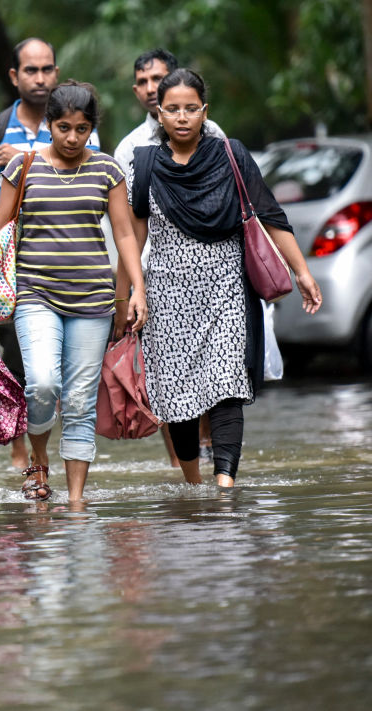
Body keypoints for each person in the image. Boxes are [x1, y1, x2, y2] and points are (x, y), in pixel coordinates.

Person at [116, 68, 322, 488]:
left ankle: (225, 484)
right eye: (172, 109)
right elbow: (132, 239)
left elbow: (270, 214)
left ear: (204, 111)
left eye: (191, 108)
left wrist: (302, 272)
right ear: (158, 114)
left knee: (227, 383)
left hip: (227, 290)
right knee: (177, 397)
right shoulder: (145, 164)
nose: (182, 117)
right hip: (167, 296)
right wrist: (129, 296)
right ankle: (193, 487)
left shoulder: (232, 154)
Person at [0, 81, 148, 503]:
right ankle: (39, 459)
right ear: (48, 125)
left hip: (93, 302)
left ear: (91, 129)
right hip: (35, 296)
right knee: (43, 384)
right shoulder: (22, 167)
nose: (71, 137)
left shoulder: (107, 171)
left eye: (81, 129)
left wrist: (136, 291)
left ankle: (77, 501)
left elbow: (123, 234)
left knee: (80, 399)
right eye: (63, 127)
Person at [0, 38, 102, 470]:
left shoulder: (80, 125)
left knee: (71, 375)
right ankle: (26, 450)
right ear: (14, 76)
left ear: (57, 73)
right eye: (31, 70)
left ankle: (63, 454)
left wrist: (26, 155)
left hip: (75, 268)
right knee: (23, 362)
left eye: (47, 69)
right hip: (13, 270)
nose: (40, 78)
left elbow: (90, 170)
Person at [113, 48, 226, 468]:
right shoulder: (131, 149)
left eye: (156, 79)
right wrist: (126, 293)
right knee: (168, 378)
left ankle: (212, 460)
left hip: (215, 276)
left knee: (216, 373)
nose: (148, 89)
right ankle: (183, 471)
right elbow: (128, 229)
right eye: (142, 82)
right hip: (158, 278)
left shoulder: (213, 134)